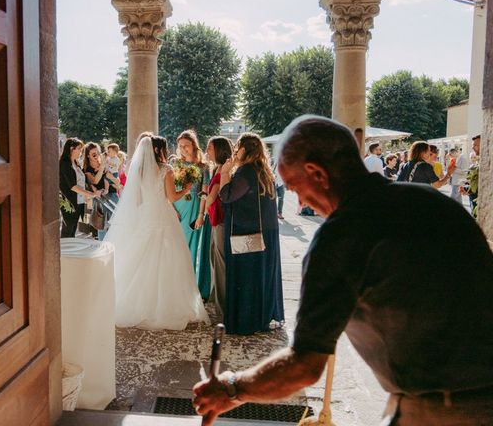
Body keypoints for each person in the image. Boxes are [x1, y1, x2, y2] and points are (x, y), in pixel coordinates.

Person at [193, 116, 493, 426]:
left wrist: (232, 388)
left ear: (317, 173)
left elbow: (304, 366)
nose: (300, 199)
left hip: (443, 408)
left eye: (296, 186)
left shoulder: (341, 236)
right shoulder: (436, 204)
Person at [105, 136, 209, 330]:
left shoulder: (138, 170)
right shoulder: (165, 169)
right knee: (169, 260)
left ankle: (135, 304)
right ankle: (162, 306)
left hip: (145, 216)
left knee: (140, 259)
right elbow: (171, 197)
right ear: (157, 150)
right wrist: (186, 188)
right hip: (162, 216)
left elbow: (136, 200)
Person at [219, 133, 284, 335]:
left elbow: (227, 196)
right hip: (267, 232)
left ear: (245, 150)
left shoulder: (246, 172)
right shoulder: (263, 171)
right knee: (262, 276)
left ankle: (246, 320)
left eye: (238, 146)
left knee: (247, 278)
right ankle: (263, 316)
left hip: (248, 233)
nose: (235, 150)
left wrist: (224, 173)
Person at [172, 130, 212, 299]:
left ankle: (188, 287)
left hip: (194, 207)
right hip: (176, 207)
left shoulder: (203, 167)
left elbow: (205, 193)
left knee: (190, 248)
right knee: (175, 246)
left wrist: (201, 214)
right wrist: (171, 209)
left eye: (186, 146)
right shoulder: (176, 165)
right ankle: (175, 284)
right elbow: (169, 190)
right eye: (180, 146)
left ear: (194, 146)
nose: (183, 149)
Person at [205, 136, 232, 320]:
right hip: (217, 219)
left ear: (219, 150)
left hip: (220, 219)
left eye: (210, 148)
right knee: (215, 260)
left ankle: (223, 310)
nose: (207, 151)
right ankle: (217, 302)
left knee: (220, 262)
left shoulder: (223, 169)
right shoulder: (219, 167)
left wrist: (203, 202)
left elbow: (212, 197)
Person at [59, 138, 101, 238]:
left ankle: (69, 251)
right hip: (69, 202)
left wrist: (93, 189)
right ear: (71, 149)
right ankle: (63, 252)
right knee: (67, 230)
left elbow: (83, 181)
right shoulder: (65, 163)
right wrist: (90, 194)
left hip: (79, 201)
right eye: (79, 149)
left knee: (73, 229)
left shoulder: (76, 163)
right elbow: (72, 186)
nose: (81, 152)